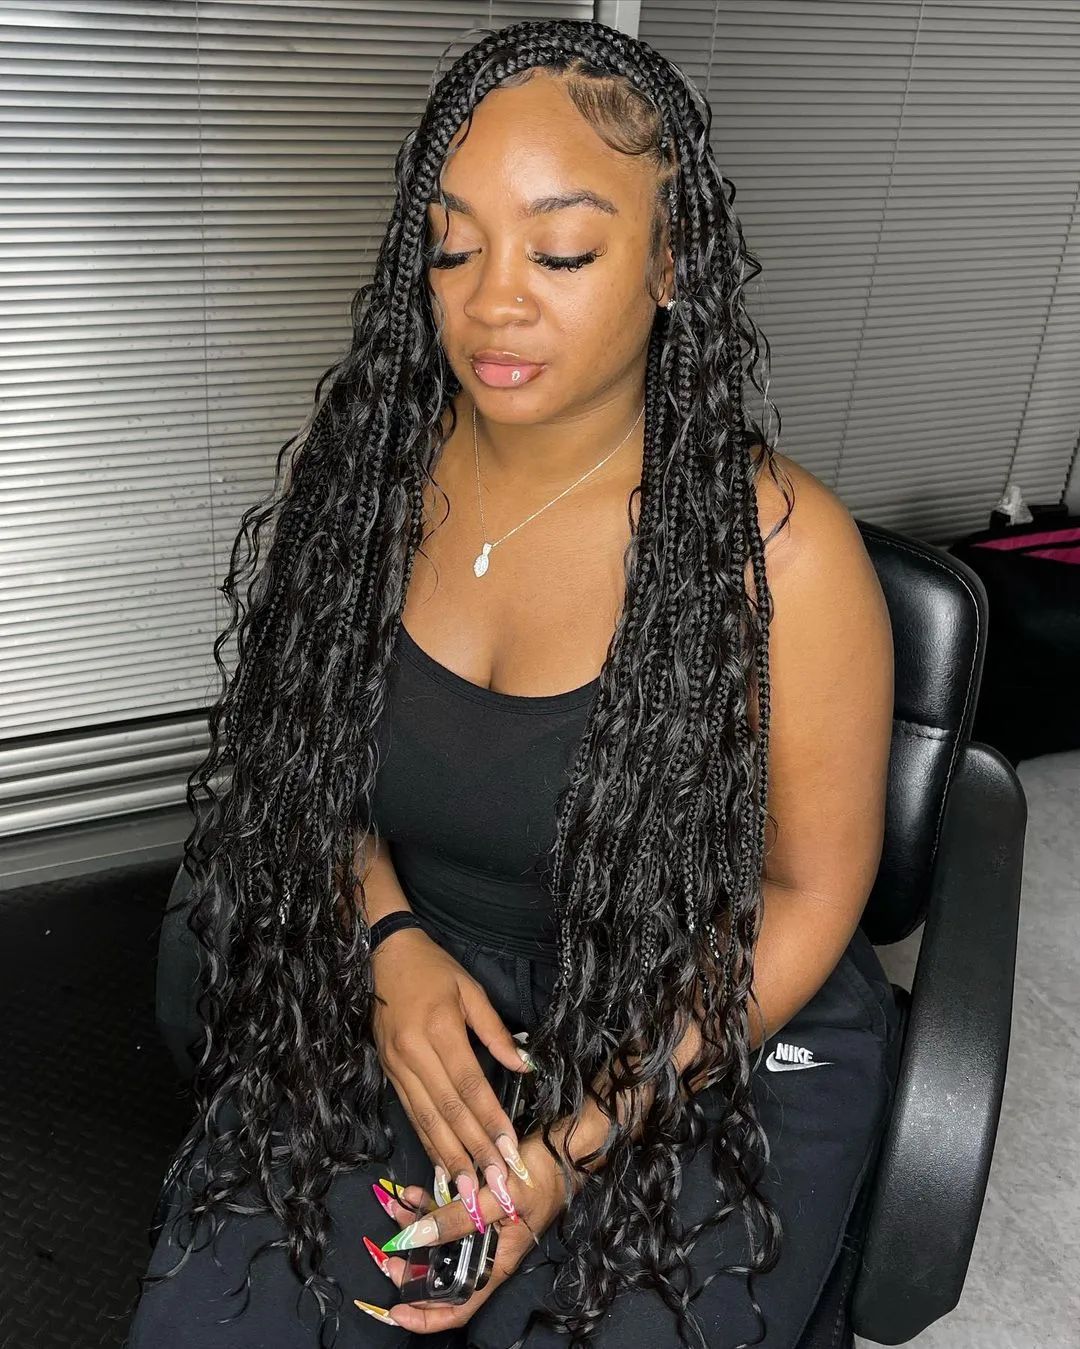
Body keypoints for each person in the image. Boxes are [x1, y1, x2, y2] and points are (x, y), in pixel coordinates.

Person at [127, 17, 901, 1349]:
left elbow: (804, 895)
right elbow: (299, 755)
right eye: (453, 244)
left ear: (670, 261)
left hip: (687, 1036)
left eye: (561, 251)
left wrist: (562, 1151)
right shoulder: (367, 472)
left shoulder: (782, 554)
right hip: (424, 994)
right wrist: (386, 945)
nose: (492, 300)